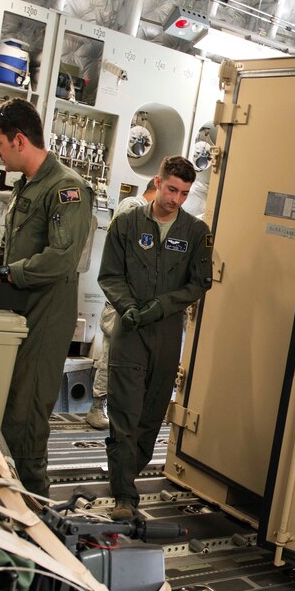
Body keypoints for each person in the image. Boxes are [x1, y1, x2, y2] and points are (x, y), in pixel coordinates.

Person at [0, 99, 94, 496]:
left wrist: (5, 273)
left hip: (44, 318)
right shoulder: (28, 185)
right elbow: (9, 245)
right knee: (5, 409)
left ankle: (34, 505)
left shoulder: (66, 188)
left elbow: (61, 259)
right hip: (19, 312)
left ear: (19, 140)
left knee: (26, 418)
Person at [99, 156, 213, 520]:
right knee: (124, 412)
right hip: (129, 330)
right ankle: (124, 495)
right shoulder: (127, 223)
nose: (175, 199)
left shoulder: (195, 232)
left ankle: (127, 472)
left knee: (151, 415)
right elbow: (110, 274)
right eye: (170, 189)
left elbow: (199, 283)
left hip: (166, 333)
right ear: (158, 182)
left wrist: (162, 306)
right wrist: (128, 307)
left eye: (183, 193)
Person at [85, 178, 158, 430]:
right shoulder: (133, 205)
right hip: (123, 297)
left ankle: (122, 408)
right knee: (112, 350)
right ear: (157, 185)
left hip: (144, 299)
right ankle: (98, 405)